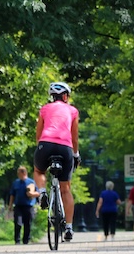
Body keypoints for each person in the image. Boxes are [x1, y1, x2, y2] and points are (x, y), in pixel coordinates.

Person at [33, 81, 80, 242]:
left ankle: (43, 193)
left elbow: (38, 133)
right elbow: (74, 136)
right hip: (65, 147)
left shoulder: (45, 109)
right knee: (65, 188)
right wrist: (76, 154)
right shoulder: (73, 111)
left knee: (39, 171)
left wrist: (40, 147)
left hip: (45, 144)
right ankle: (69, 227)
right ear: (66, 96)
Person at [7, 166, 39, 244]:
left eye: (19, 173)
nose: (18, 175)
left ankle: (26, 241)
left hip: (28, 206)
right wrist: (10, 205)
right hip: (18, 206)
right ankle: (17, 241)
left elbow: (38, 193)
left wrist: (32, 193)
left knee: (27, 224)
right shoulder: (16, 183)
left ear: (24, 173)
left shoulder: (31, 182)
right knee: (18, 223)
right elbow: (12, 195)